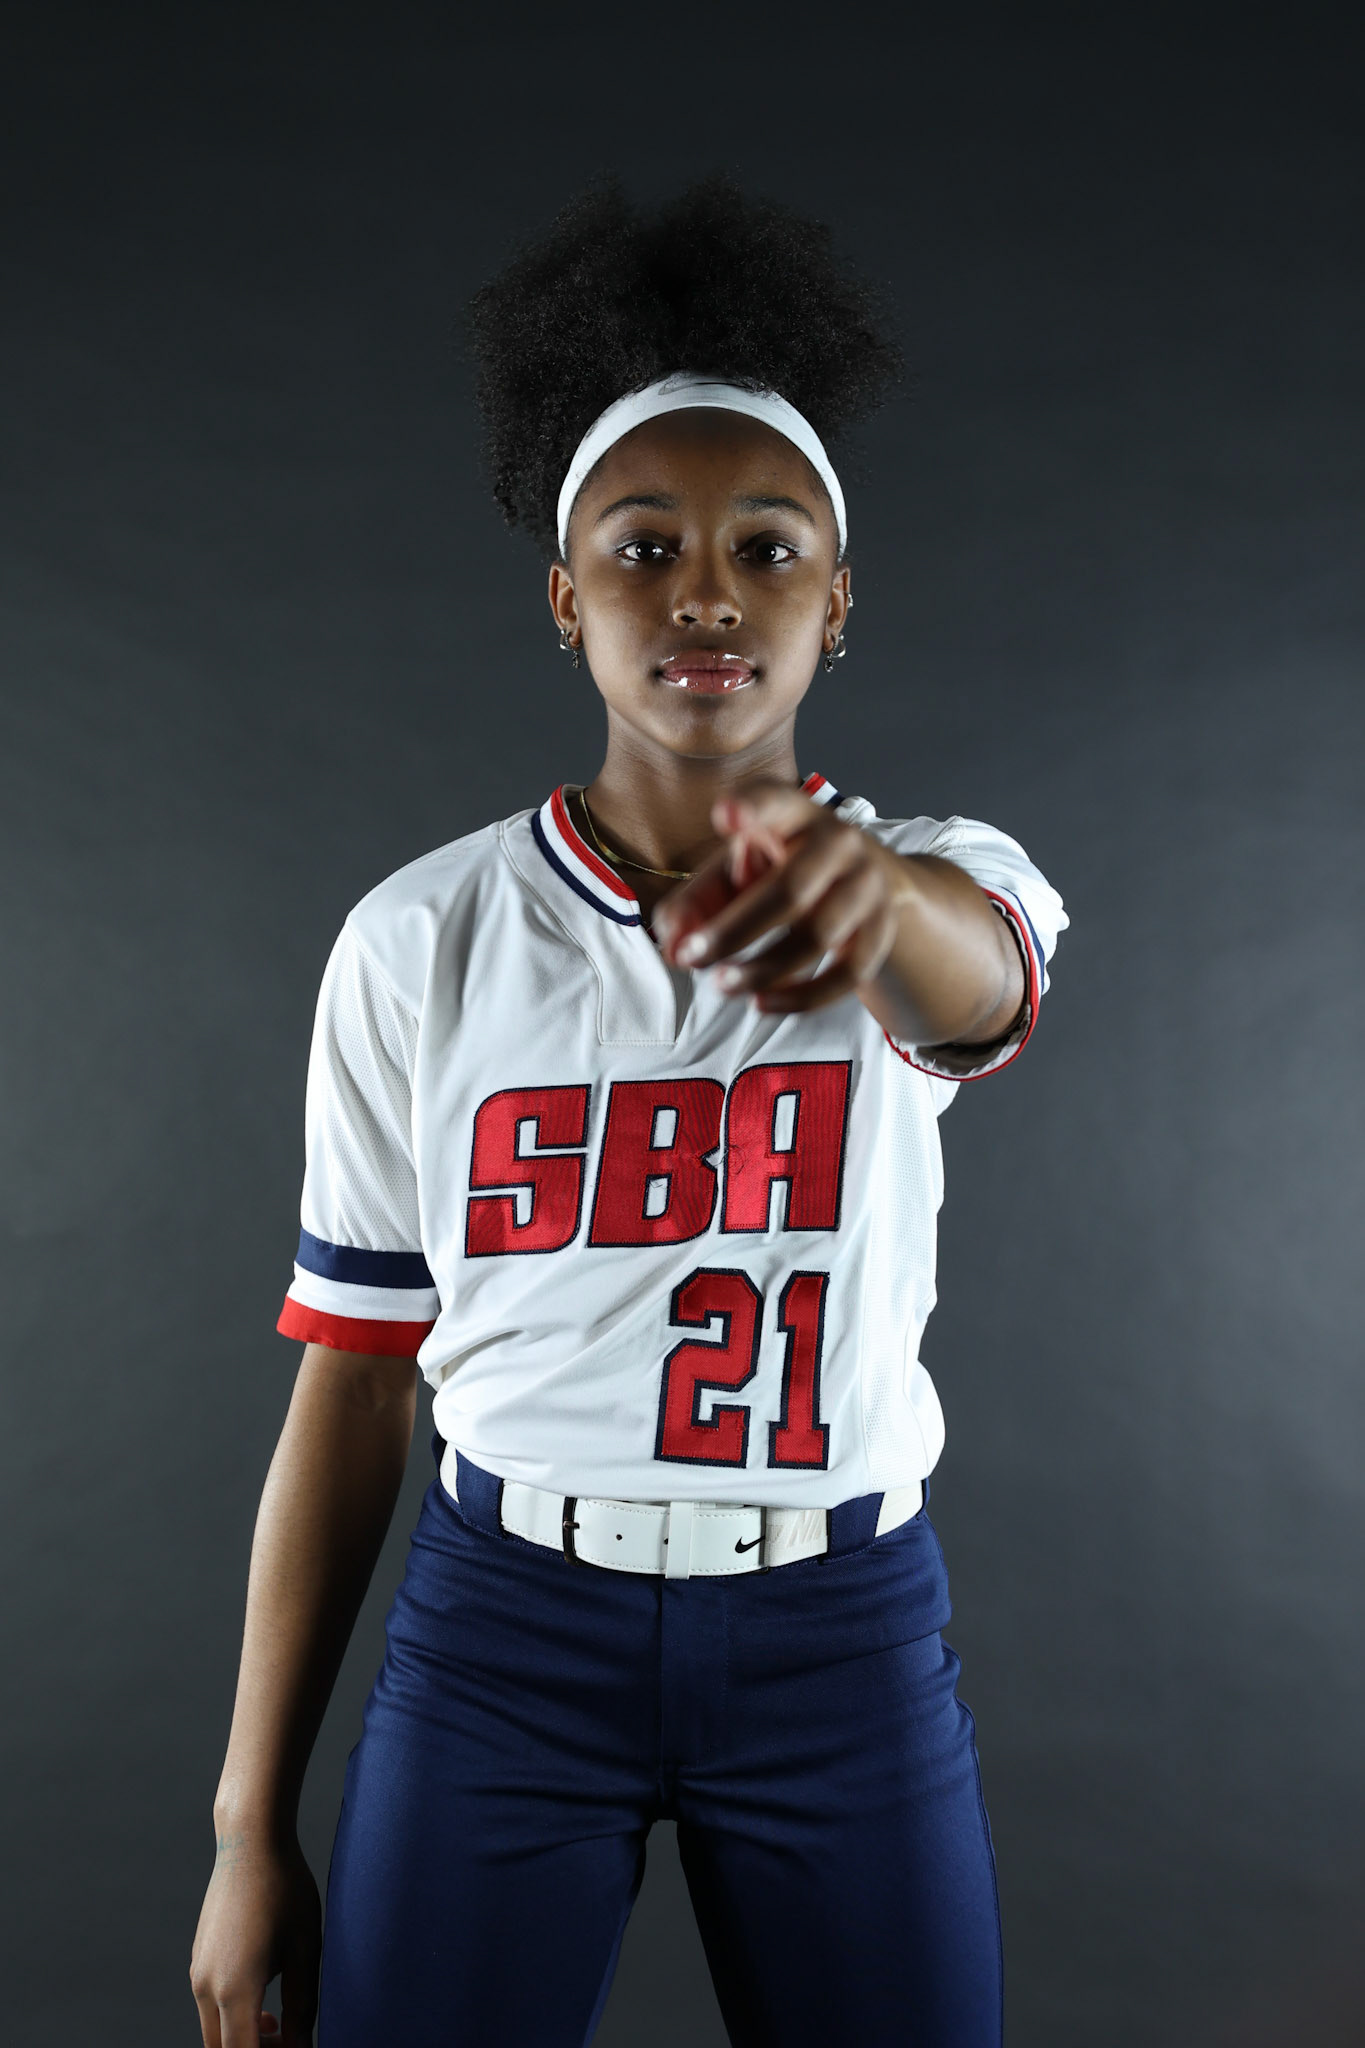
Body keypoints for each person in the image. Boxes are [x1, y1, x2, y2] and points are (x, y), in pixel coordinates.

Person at [190, 174, 1068, 2048]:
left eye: (765, 549)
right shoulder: (421, 937)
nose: (703, 591)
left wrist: (855, 891)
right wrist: (249, 1822)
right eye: (643, 543)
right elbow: (351, 1381)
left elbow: (975, 979)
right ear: (564, 591)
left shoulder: (926, 874)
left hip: (840, 1627)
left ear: (837, 605)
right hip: (511, 1622)